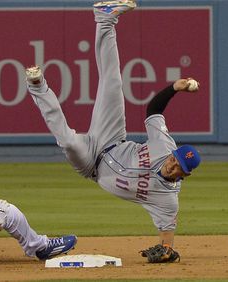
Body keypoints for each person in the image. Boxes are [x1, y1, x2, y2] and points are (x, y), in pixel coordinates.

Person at [25, 0, 200, 263]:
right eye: (176, 161)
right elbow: (153, 110)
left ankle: (38, 87)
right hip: (112, 138)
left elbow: (166, 236)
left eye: (180, 171)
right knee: (113, 82)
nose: (174, 168)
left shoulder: (167, 198)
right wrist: (174, 87)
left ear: (184, 177)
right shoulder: (164, 146)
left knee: (70, 142)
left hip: (91, 165)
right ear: (174, 154)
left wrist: (167, 251)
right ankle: (105, 18)